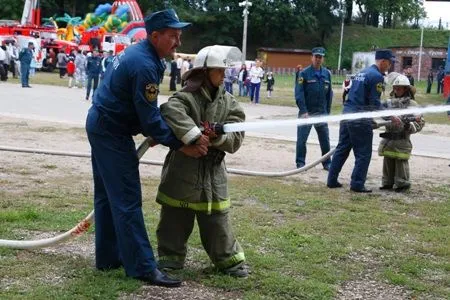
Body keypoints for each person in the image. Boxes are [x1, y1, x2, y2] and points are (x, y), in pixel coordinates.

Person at [85, 8, 199, 287]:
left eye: (180, 36)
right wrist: (179, 143)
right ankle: (142, 267)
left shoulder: (143, 54)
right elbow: (149, 117)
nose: (178, 42)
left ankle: (110, 258)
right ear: (155, 35)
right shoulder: (145, 64)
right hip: (111, 132)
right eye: (173, 36)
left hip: (102, 124)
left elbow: (143, 110)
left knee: (107, 197)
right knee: (126, 199)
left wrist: (159, 129)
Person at [156, 45, 248, 278]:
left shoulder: (230, 103)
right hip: (183, 171)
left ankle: (230, 263)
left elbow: (236, 138)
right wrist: (196, 136)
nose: (224, 75)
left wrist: (218, 138)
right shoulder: (184, 98)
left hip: (213, 174)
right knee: (174, 219)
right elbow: (170, 111)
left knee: (217, 222)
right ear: (204, 72)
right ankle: (170, 261)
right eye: (219, 71)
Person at [327, 49, 397, 193]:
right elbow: (374, 104)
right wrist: (390, 116)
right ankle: (357, 184)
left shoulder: (361, 73)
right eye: (389, 63)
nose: (389, 67)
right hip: (359, 118)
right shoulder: (377, 76)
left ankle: (331, 180)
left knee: (342, 149)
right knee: (363, 153)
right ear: (383, 61)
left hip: (347, 114)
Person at [378, 74, 424, 192]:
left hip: (402, 139)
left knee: (401, 162)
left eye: (399, 88)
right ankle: (387, 183)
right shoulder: (388, 103)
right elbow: (379, 115)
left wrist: (409, 125)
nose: (396, 90)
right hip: (388, 139)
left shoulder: (412, 105)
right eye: (395, 88)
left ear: (406, 89)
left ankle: (402, 184)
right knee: (388, 161)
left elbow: (420, 123)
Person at [295, 47, 332, 170]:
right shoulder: (304, 73)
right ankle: (300, 163)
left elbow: (329, 94)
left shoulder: (326, 74)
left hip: (321, 112)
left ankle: (327, 163)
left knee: (325, 140)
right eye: (316, 56)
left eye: (320, 57)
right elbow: (299, 94)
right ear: (312, 57)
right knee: (302, 139)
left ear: (323, 58)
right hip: (307, 112)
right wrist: (304, 110)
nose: (318, 59)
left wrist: (327, 111)